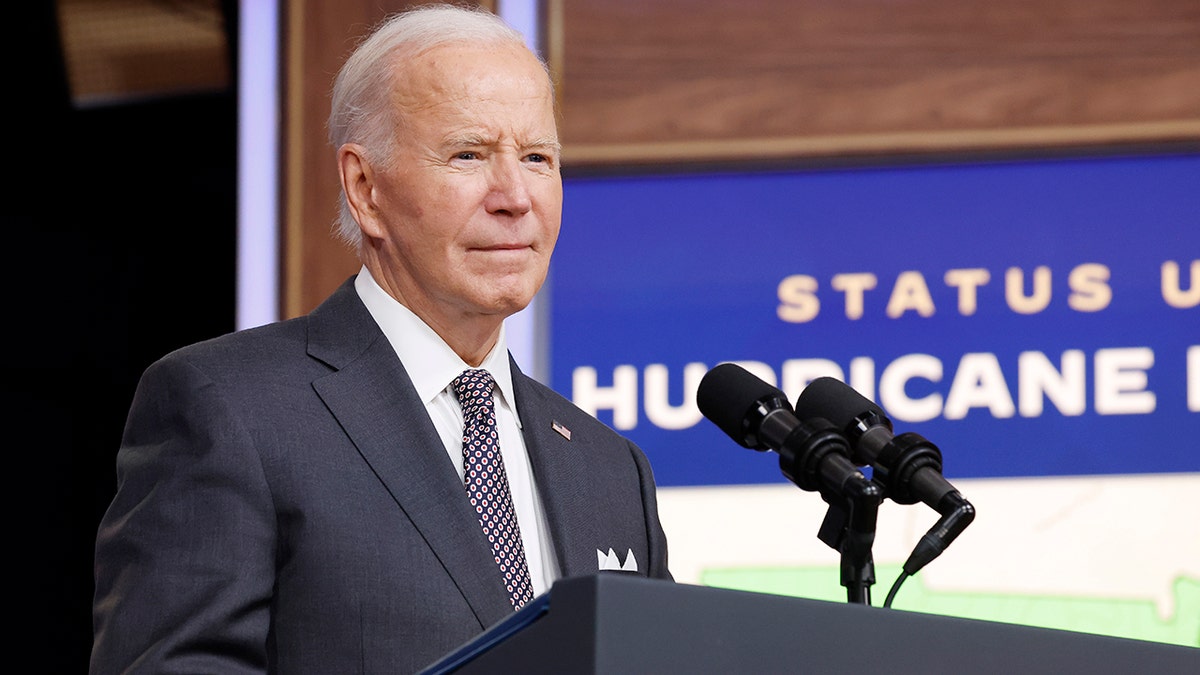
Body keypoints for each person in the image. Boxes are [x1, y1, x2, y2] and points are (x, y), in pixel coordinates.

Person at [89, 4, 672, 673]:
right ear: (365, 188)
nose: (515, 195)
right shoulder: (230, 408)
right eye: (469, 154)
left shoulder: (610, 469)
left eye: (538, 157)